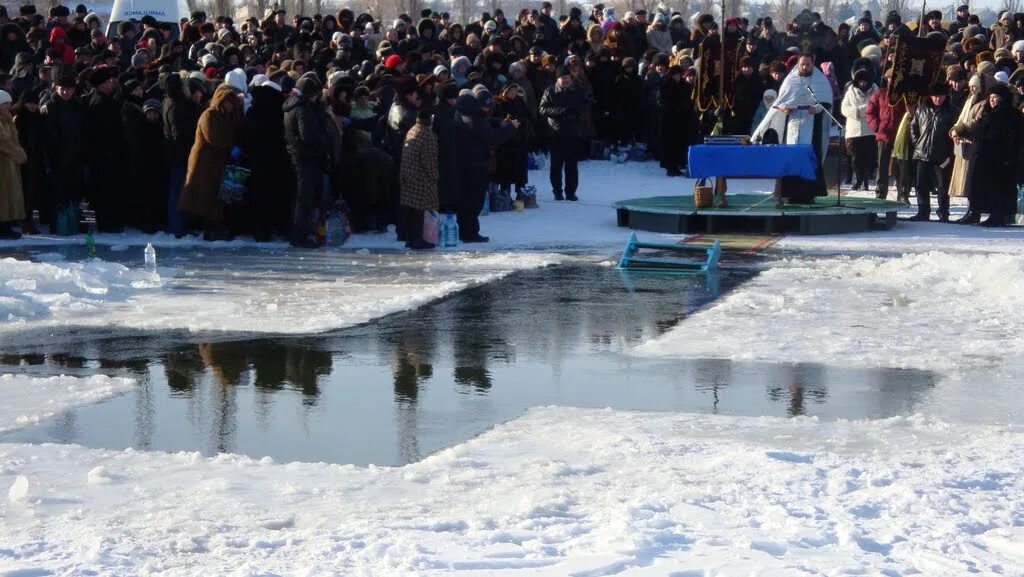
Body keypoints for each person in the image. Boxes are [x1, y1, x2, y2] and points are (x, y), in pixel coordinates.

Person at [753, 53, 833, 204]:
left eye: (807, 65)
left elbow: (826, 103)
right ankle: (791, 192)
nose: (804, 67)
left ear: (812, 63)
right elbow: (781, 101)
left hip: (811, 125)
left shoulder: (820, 80)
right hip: (793, 124)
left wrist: (816, 109)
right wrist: (784, 109)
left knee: (809, 158)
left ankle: (809, 193)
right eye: (802, 64)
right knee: (792, 157)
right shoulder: (791, 79)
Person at [181, 83, 239, 241]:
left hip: (217, 162)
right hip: (205, 163)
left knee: (217, 195)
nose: (230, 105)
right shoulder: (209, 114)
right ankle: (210, 231)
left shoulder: (225, 115)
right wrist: (232, 145)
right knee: (207, 196)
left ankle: (214, 228)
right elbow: (214, 139)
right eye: (228, 101)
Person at [283, 75, 330, 247]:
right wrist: (324, 141)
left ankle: (297, 232)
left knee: (299, 197)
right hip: (306, 157)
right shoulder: (303, 109)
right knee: (304, 197)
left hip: (297, 155)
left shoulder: (291, 106)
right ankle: (299, 236)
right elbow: (308, 136)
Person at [907, 87, 955, 221]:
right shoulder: (922, 109)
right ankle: (923, 211)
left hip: (942, 155)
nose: (938, 99)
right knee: (921, 184)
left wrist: (949, 152)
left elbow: (955, 132)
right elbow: (913, 126)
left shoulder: (951, 111)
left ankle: (943, 213)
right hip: (922, 153)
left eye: (941, 96)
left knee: (943, 186)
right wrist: (917, 142)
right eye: (935, 96)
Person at [540, 72, 587, 200]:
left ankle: (571, 192)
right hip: (555, 132)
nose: (566, 80)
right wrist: (560, 111)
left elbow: (585, 106)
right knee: (556, 165)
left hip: (573, 132)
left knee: (572, 165)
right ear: (558, 79)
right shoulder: (550, 91)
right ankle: (557, 191)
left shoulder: (578, 90)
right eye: (563, 78)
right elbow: (543, 109)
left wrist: (576, 114)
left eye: (567, 78)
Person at [399, 108, 439, 249]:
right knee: (421, 210)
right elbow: (429, 161)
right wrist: (435, 177)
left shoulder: (413, 129)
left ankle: (410, 238)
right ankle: (420, 240)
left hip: (408, 175)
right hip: (421, 179)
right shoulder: (428, 135)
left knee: (411, 210)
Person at [841, 68, 877, 191]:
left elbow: (874, 107)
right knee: (855, 158)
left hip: (869, 130)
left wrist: (859, 110)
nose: (863, 84)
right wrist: (858, 111)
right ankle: (859, 179)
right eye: (860, 82)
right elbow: (844, 109)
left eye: (865, 82)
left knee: (867, 157)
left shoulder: (874, 91)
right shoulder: (850, 92)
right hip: (853, 130)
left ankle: (866, 180)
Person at [0, 89, 26, 239]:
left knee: (9, 194)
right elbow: (3, 141)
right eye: (5, 104)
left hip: (8, 163)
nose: (9, 106)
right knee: (3, 194)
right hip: (4, 162)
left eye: (9, 103)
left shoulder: (7, 118)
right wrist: (18, 153)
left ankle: (6, 224)